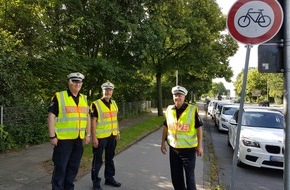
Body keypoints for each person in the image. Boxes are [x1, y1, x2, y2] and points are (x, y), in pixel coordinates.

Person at [47, 72, 91, 190]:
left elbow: (87, 117)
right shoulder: (59, 96)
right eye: (74, 81)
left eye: (79, 82)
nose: (77, 84)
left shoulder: (84, 98)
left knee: (73, 167)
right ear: (69, 83)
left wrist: (88, 134)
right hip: (63, 140)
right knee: (60, 167)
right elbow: (51, 116)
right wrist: (52, 136)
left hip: (78, 139)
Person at [160, 85, 203, 190]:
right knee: (176, 177)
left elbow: (199, 128)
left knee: (189, 177)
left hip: (188, 150)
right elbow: (166, 126)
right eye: (175, 95)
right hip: (174, 150)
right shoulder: (169, 109)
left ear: (184, 97)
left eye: (179, 95)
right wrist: (162, 143)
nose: (177, 97)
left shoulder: (192, 110)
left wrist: (200, 146)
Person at [90, 81, 121, 190]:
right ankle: (95, 182)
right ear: (102, 90)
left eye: (110, 90)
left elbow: (115, 119)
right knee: (97, 160)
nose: (108, 91)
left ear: (112, 91)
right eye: (106, 89)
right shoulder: (96, 104)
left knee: (110, 159)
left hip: (112, 136)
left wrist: (118, 131)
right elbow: (92, 122)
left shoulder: (114, 103)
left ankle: (109, 178)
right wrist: (93, 137)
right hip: (100, 137)